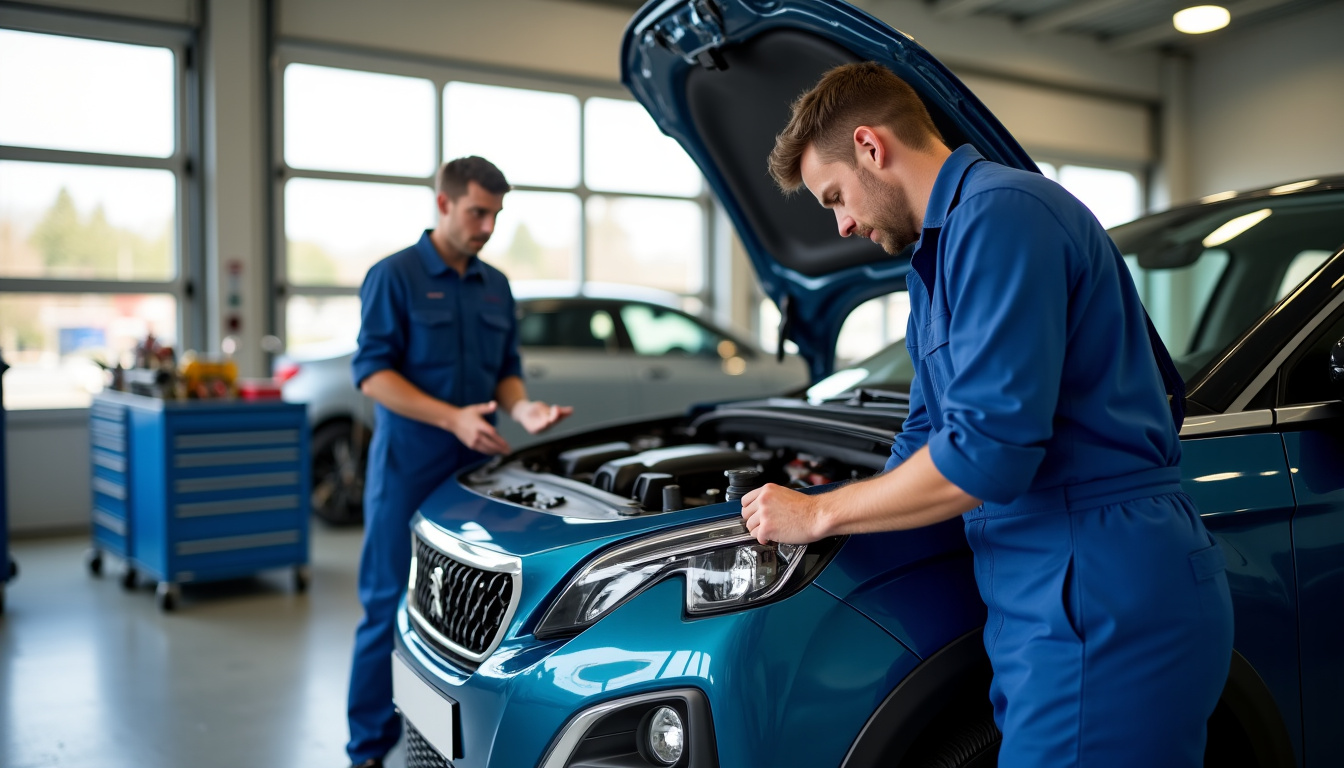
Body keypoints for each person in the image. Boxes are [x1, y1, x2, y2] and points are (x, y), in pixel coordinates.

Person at [743, 63, 1234, 767]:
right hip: (1042, 597)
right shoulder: (937, 259)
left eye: (835, 196)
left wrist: (822, 514)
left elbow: (987, 452)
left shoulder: (1003, 216)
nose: (843, 223)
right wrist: (843, 518)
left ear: (871, 146)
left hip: (1098, 586)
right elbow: (925, 432)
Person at [344, 156, 572, 768]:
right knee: (387, 602)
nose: (488, 227)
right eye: (477, 212)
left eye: (497, 214)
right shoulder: (393, 277)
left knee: (468, 619)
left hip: (475, 476)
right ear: (442, 205)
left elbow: (506, 374)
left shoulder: (494, 286)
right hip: (408, 469)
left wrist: (523, 412)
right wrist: (451, 418)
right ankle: (367, 750)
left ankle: (449, 739)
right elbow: (372, 374)